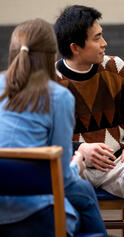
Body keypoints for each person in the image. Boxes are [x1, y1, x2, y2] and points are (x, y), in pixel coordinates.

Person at [54, 5, 124, 237]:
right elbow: (40, 136)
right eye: (97, 38)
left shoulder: (116, 68)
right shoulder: (49, 81)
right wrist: (80, 149)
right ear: (75, 47)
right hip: (72, 165)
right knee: (50, 183)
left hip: (117, 163)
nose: (105, 43)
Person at [0, 18, 106, 236]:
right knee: (83, 191)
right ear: (53, 56)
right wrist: (78, 164)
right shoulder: (59, 97)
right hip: (36, 216)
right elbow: (61, 177)